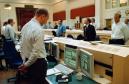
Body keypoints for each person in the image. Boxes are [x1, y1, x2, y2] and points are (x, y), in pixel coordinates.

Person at [19, 9, 49, 84]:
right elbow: (36, 53)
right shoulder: (38, 29)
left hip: (28, 60)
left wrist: (25, 62)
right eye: (46, 19)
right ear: (42, 16)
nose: (46, 22)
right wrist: (26, 64)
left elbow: (22, 45)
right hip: (37, 64)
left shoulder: (25, 26)